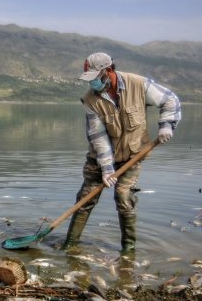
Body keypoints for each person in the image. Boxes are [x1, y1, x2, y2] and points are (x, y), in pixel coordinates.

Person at [63, 52, 181, 252]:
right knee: (86, 198)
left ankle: (128, 250)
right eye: (89, 79)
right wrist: (107, 169)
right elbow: (98, 137)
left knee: (123, 197)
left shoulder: (138, 84)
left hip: (133, 155)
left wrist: (166, 125)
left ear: (109, 71)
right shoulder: (91, 100)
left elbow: (170, 100)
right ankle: (69, 246)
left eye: (95, 78)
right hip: (98, 158)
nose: (92, 84)